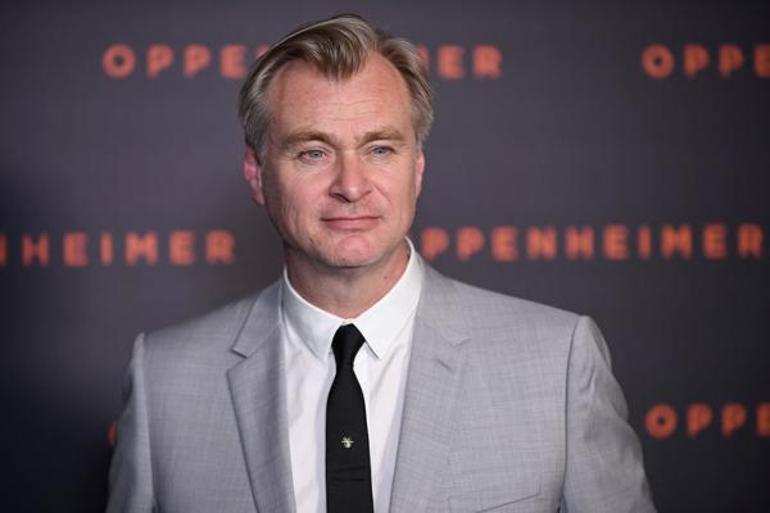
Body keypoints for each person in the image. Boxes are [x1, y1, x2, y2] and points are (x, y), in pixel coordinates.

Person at [106, 13, 656, 513]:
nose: (351, 186)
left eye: (380, 149)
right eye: (313, 152)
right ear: (256, 174)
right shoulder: (164, 382)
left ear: (417, 168)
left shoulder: (558, 363)